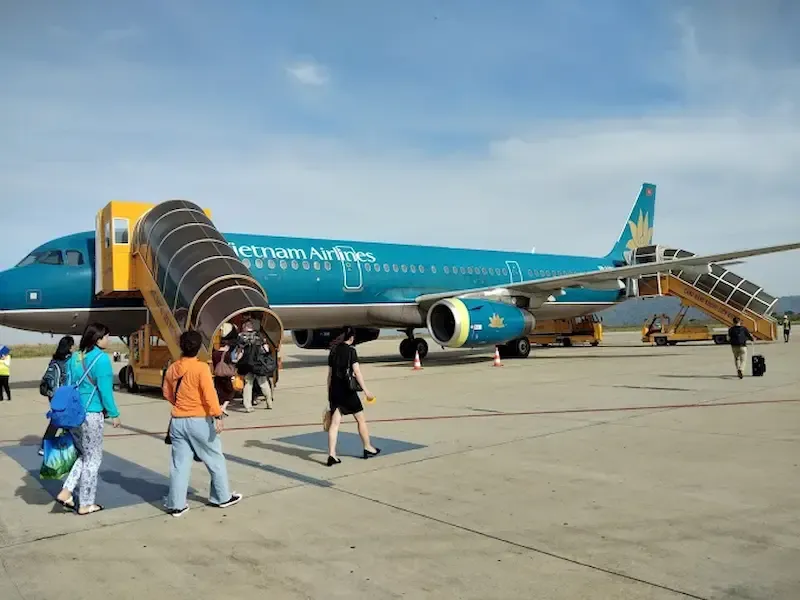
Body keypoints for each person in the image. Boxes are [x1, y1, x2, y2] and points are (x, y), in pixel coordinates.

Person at [162, 330, 242, 517]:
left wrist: (180, 405)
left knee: (179, 465)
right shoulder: (201, 368)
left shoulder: (173, 368)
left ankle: (177, 504)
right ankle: (221, 497)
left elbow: (167, 393)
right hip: (199, 420)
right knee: (215, 459)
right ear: (198, 348)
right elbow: (209, 394)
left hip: (177, 421)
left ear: (181, 347)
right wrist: (218, 415)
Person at [55, 323, 121, 515]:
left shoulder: (76, 357)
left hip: (74, 414)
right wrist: (114, 413)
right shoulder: (101, 359)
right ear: (97, 339)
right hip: (91, 414)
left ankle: (67, 490)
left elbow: (68, 383)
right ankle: (86, 503)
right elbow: (105, 390)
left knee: (84, 455)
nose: (108, 340)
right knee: (93, 459)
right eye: (106, 336)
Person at [325, 326, 380, 466]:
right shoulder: (351, 351)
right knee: (360, 419)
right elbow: (357, 372)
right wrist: (366, 390)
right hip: (348, 391)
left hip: (335, 391)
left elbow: (329, 375)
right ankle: (367, 447)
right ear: (351, 337)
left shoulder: (333, 351)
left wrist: (329, 393)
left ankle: (332, 454)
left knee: (334, 424)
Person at [38, 335, 75, 455]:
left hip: (53, 394)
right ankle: (48, 445)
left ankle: (49, 445)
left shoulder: (54, 360)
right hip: (64, 395)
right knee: (63, 420)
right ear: (69, 347)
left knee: (59, 419)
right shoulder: (69, 361)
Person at [235, 318, 276, 412]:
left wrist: (237, 361)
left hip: (247, 363)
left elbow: (240, 351)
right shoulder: (259, 335)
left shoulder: (241, 336)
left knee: (248, 384)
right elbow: (266, 349)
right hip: (258, 363)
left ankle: (248, 406)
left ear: (244, 327)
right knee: (263, 383)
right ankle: (269, 402)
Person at [212, 323, 238, 416]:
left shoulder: (214, 353)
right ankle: (223, 407)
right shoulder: (227, 354)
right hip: (226, 376)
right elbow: (230, 364)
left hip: (217, 375)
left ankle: (219, 407)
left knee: (219, 392)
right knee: (230, 392)